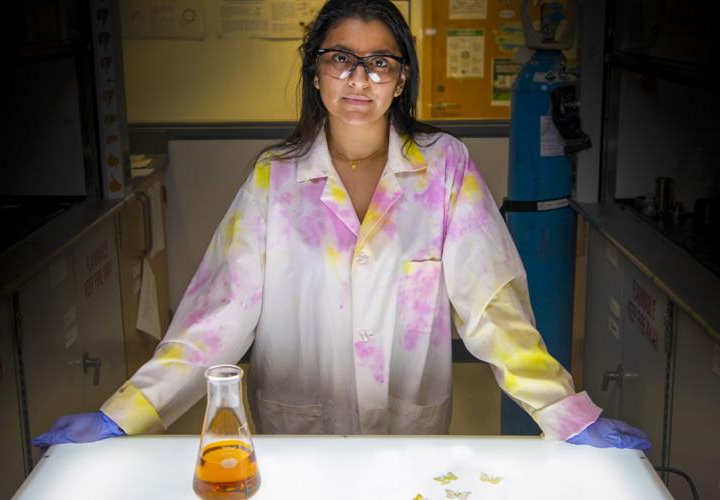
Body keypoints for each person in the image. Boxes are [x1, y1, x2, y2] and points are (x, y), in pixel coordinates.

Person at [35, 0, 649, 449]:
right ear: (316, 73)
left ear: (401, 79)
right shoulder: (275, 178)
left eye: (381, 62)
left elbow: (492, 309)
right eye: (341, 60)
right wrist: (129, 411)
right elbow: (219, 315)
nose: (360, 78)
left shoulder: (443, 168)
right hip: (298, 430)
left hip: (407, 430)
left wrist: (568, 411)